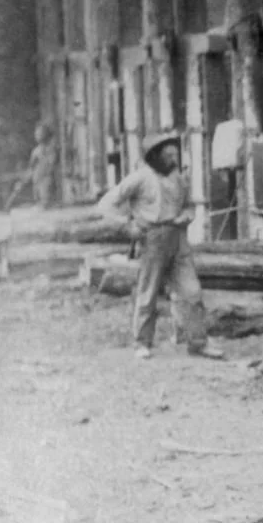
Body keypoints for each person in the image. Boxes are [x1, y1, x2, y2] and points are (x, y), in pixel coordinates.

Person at [99, 132, 220, 360]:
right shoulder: (140, 178)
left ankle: (198, 342)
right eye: (168, 155)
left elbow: (188, 207)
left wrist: (186, 216)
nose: (173, 159)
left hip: (178, 239)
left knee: (192, 291)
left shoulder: (178, 179)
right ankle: (142, 342)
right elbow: (106, 205)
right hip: (151, 240)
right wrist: (127, 226)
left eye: (175, 153)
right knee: (148, 292)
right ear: (155, 156)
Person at [28, 121, 57, 208]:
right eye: (36, 133)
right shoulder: (35, 151)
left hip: (46, 179)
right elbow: (31, 166)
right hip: (37, 179)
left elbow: (52, 163)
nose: (37, 135)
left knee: (46, 201)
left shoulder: (51, 150)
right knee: (38, 200)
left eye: (40, 133)